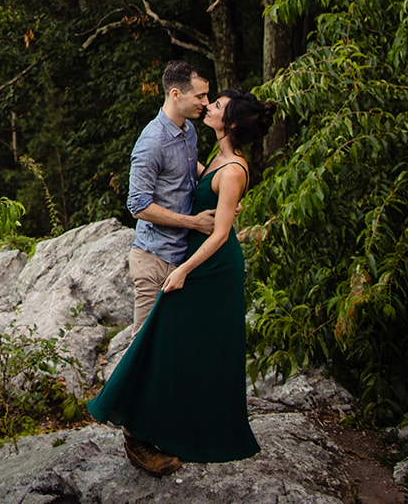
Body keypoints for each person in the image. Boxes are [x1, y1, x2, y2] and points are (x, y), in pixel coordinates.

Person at [88, 89, 279, 476]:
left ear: (232, 124)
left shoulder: (234, 170)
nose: (209, 106)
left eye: (218, 106)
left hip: (211, 269)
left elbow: (222, 234)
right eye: (210, 100)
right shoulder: (214, 156)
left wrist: (183, 270)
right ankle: (148, 431)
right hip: (191, 261)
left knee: (190, 347)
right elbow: (190, 181)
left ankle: (188, 431)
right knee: (169, 344)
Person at [126, 61, 217, 337]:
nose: (206, 103)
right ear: (176, 94)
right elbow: (137, 205)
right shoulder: (152, 141)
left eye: (206, 95)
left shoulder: (188, 130)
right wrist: (193, 223)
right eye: (200, 96)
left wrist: (221, 187)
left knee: (174, 347)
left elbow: (190, 168)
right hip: (154, 260)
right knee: (143, 349)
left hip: (181, 258)